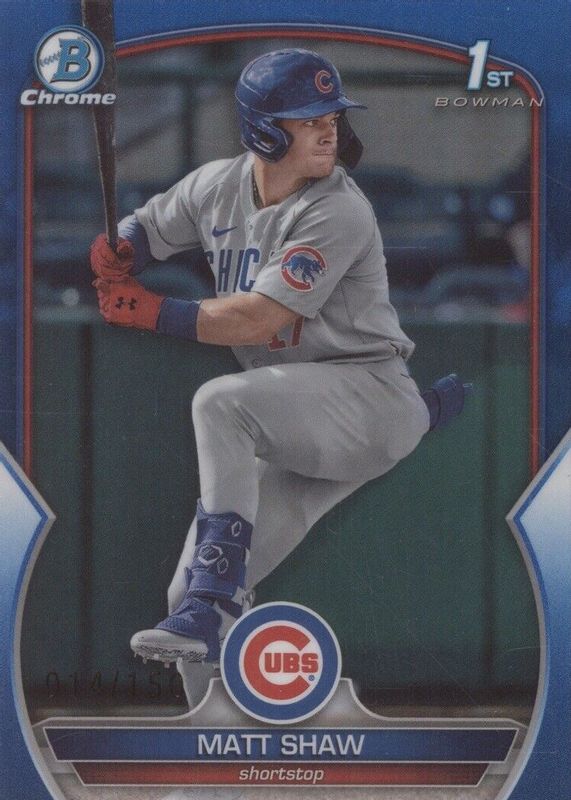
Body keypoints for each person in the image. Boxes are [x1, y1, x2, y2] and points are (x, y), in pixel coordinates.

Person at [90, 48, 469, 709]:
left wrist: (150, 310)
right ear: (264, 130)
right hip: (298, 417)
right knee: (185, 598)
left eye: (331, 116)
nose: (328, 130)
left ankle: (212, 597)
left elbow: (259, 319)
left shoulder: (338, 208)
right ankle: (220, 742)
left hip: (366, 396)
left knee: (220, 404)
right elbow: (147, 230)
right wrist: (119, 246)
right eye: (308, 118)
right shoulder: (216, 185)